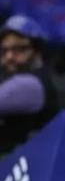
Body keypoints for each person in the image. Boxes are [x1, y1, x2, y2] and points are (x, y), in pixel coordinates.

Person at [0, 14, 59, 155]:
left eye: (19, 49)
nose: (9, 56)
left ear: (37, 50)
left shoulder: (29, 84)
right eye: (3, 51)